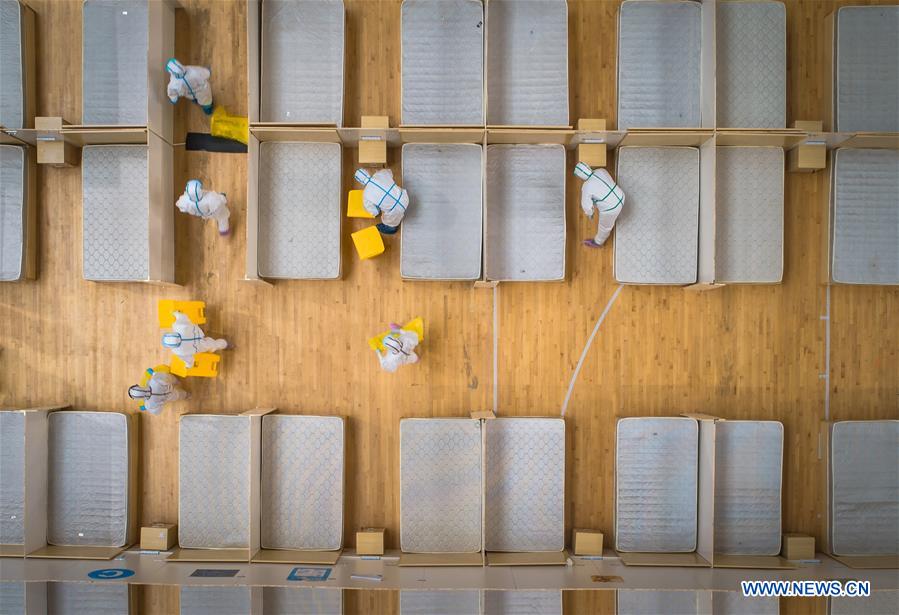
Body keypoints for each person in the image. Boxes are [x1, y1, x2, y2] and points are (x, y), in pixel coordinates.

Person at [574, 161, 625, 247]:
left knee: (604, 227)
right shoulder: (601, 170)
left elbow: (587, 206)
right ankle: (616, 215)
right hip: (621, 196)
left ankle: (598, 242)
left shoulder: (586, 187)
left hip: (611, 209)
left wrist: (590, 214)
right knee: (611, 210)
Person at [162, 310, 229, 369]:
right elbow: (183, 317)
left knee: (211, 344)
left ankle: (224, 344)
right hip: (197, 331)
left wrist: (188, 365)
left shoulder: (178, 352)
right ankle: (222, 344)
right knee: (211, 343)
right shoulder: (177, 327)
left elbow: (188, 359)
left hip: (200, 346)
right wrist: (176, 313)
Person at [354, 168, 410, 235]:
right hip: (404, 197)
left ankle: (391, 229)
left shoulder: (366, 195)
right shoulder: (380, 174)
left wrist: (377, 207)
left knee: (388, 221)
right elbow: (389, 172)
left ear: (360, 182)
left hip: (395, 210)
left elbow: (375, 212)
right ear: (367, 173)